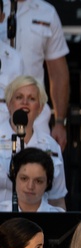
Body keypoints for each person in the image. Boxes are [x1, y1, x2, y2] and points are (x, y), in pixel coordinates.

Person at [0, 0, 70, 149]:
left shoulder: (47, 12)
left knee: (38, 168)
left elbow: (58, 73)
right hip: (1, 111)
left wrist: (59, 121)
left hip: (35, 116)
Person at [0, 76, 65, 209]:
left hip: (40, 224)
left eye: (31, 98)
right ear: (8, 104)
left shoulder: (51, 146)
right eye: (19, 97)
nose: (25, 102)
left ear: (40, 108)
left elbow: (57, 200)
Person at [0, 146, 62, 212]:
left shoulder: (59, 216)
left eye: (38, 181)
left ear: (48, 183)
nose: (30, 186)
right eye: (24, 179)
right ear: (15, 177)